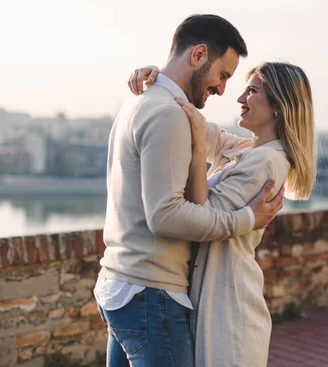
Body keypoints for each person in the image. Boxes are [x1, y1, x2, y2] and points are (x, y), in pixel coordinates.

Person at [94, 14, 285, 367]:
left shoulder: (140, 101)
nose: (224, 90)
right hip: (150, 292)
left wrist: (157, 78)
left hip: (123, 285)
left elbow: (238, 147)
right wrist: (246, 218)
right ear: (198, 55)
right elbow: (165, 216)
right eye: (223, 75)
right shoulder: (167, 113)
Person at [129, 62, 317, 366]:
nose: (240, 98)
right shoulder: (247, 150)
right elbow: (197, 127)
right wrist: (160, 81)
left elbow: (201, 216)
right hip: (218, 296)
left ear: (279, 107)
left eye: (252, 91)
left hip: (229, 310)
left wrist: (200, 155)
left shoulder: (266, 162)